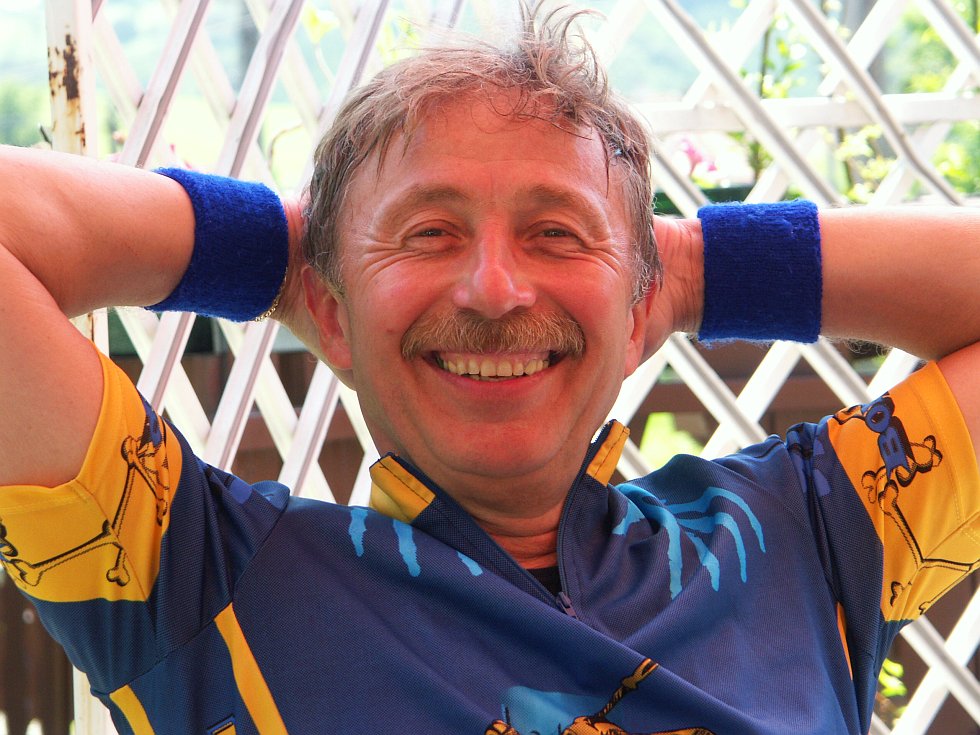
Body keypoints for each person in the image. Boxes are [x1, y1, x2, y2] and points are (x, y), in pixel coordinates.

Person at [0, 7, 977, 735]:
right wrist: (287, 258)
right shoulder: (189, 575)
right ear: (329, 316)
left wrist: (685, 267)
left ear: (639, 312)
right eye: (429, 232)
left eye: (557, 233)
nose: (495, 290)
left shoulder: (807, 533)